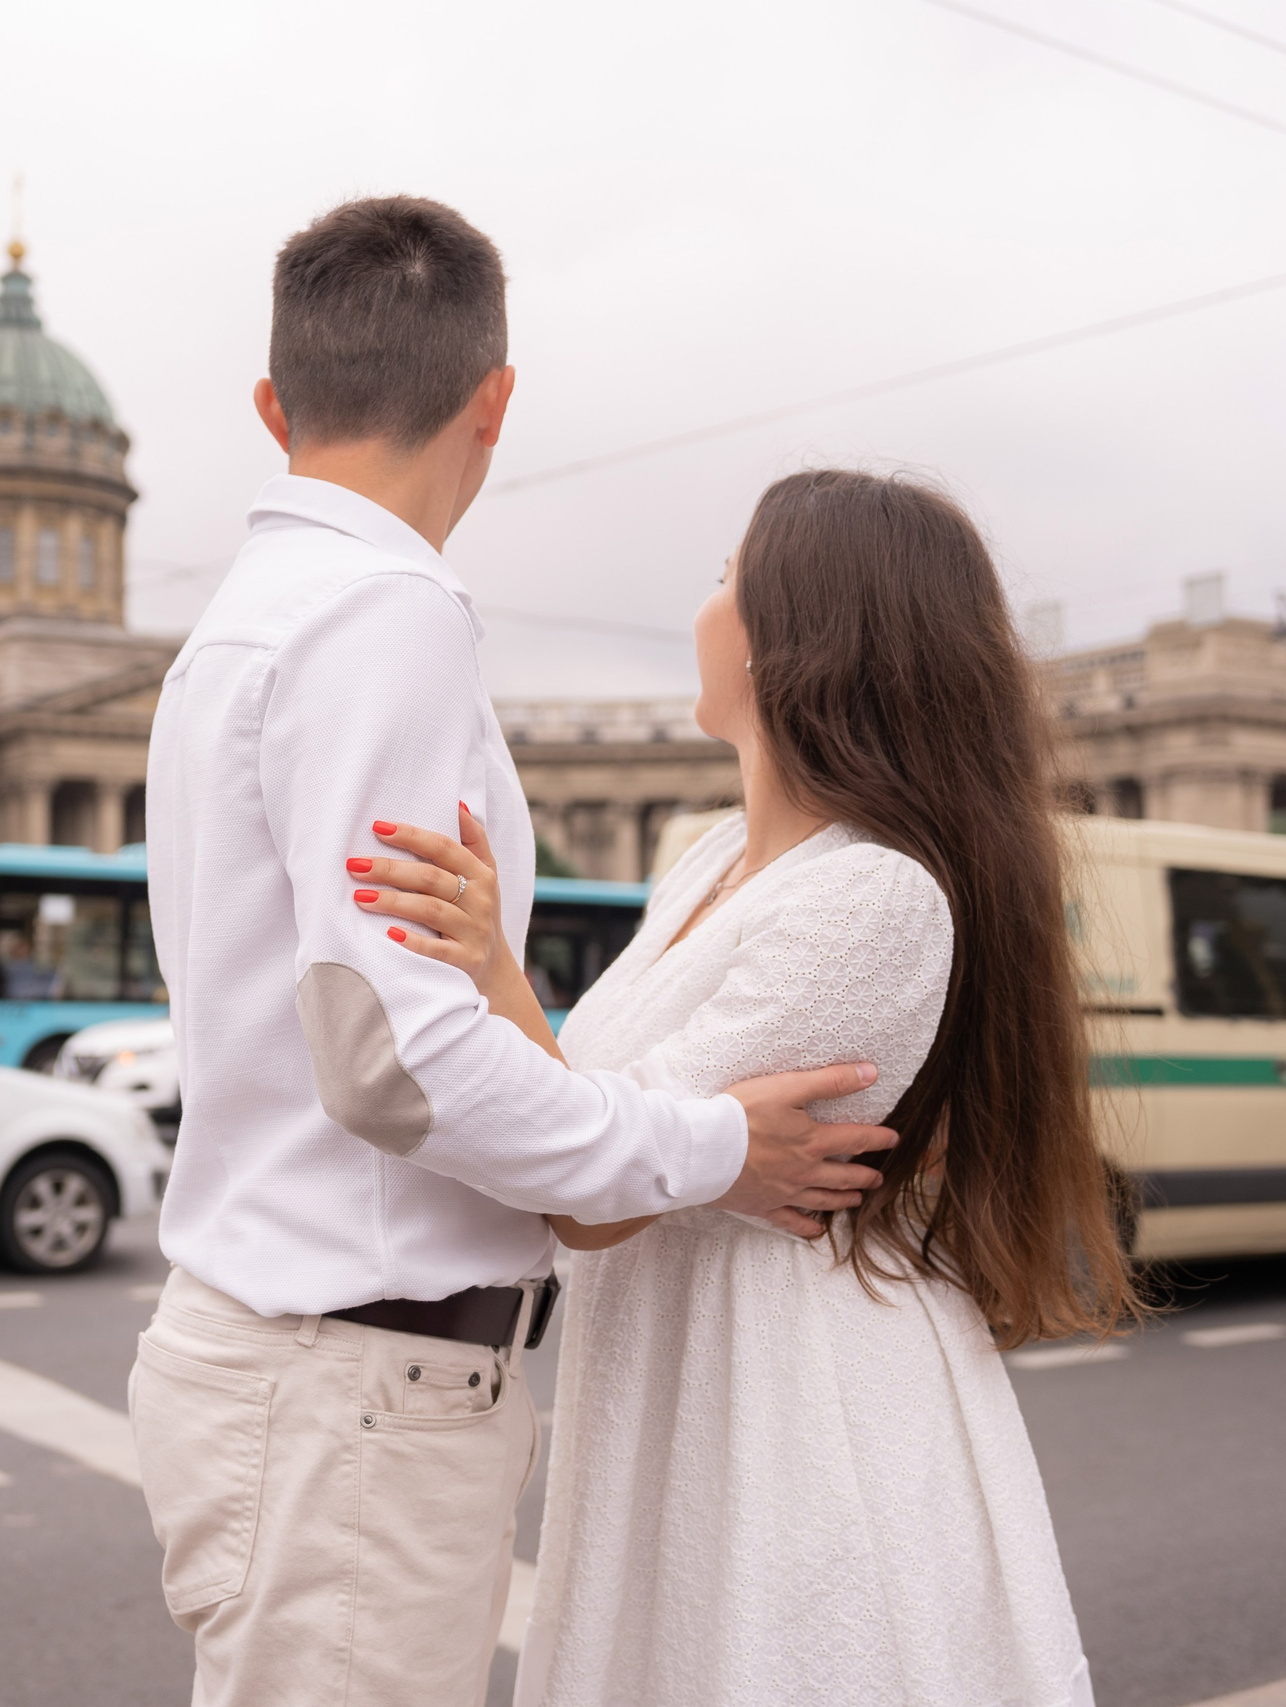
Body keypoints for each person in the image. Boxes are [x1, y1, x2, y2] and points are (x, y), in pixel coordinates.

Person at [131, 198, 901, 1707]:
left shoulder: (249, 620)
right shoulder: (383, 611)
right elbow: (395, 1062)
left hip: (297, 1369)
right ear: (494, 402)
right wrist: (709, 1147)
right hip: (355, 1383)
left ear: (275, 407)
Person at [357, 468, 1139, 1706]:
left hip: (785, 1410)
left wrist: (496, 967)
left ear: (799, 638)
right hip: (688, 1382)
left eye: (727, 576)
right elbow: (599, 1115)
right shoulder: (716, 859)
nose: (703, 604)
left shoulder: (873, 897)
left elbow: (590, 1195)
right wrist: (670, 1124)